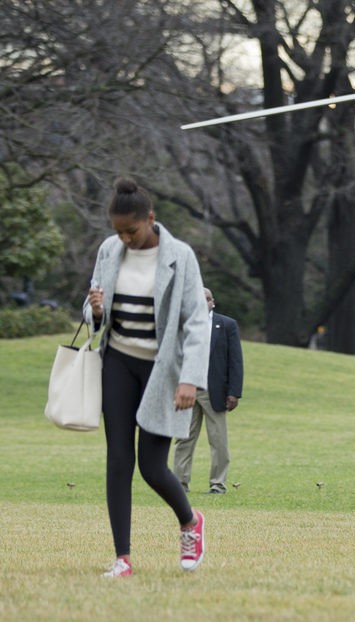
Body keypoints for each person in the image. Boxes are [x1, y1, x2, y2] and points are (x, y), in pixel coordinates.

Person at [84, 176, 210, 578]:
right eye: (118, 231)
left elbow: (197, 322)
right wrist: (96, 310)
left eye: (131, 230)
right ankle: (123, 558)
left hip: (162, 371)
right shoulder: (109, 250)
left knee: (152, 468)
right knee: (118, 460)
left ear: (150, 219)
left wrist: (190, 378)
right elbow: (93, 314)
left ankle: (190, 522)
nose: (124, 238)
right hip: (118, 361)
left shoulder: (181, 256)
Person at [173, 287, 244, 494]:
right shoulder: (184, 324)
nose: (204, 302)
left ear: (213, 302)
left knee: (218, 440)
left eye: (207, 299)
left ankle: (218, 484)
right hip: (187, 388)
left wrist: (234, 392)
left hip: (215, 391)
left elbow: (235, 361)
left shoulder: (227, 325)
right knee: (183, 439)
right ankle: (179, 484)